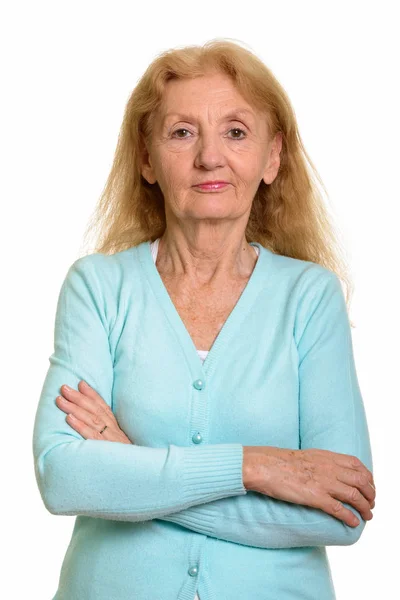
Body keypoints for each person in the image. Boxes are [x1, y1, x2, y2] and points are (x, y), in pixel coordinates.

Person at [32, 39, 376, 600]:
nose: (210, 157)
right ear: (146, 158)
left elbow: (342, 510)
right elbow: (64, 477)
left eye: (236, 132)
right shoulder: (99, 287)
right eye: (182, 132)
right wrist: (254, 467)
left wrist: (135, 470)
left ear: (273, 157)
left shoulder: (309, 297)